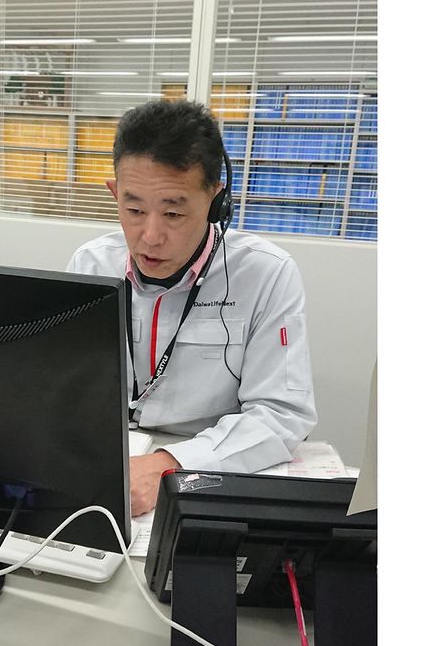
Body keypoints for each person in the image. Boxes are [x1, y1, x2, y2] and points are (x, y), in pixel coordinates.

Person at [67, 101, 317, 516]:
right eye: (134, 210)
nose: (150, 236)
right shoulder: (91, 265)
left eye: (173, 212)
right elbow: (67, 388)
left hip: (210, 468)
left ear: (216, 201)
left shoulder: (266, 274)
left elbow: (283, 413)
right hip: (109, 467)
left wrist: (170, 464)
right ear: (115, 193)